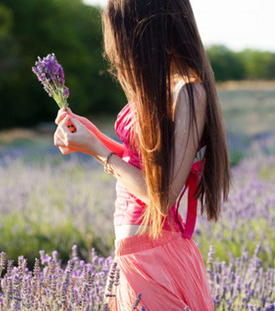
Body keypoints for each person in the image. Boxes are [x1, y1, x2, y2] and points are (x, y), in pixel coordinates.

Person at [53, 0, 230, 309]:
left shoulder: (188, 92)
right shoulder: (159, 88)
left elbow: (161, 197)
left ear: (148, 28)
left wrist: (99, 151)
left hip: (157, 259)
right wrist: (91, 138)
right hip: (130, 257)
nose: (116, 50)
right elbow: (139, 167)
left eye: (122, 34)